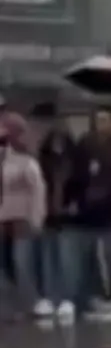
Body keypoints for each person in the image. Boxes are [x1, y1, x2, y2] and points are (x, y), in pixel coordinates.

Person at [68, 106, 111, 319]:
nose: (101, 124)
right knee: (88, 255)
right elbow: (75, 175)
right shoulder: (84, 144)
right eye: (98, 120)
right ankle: (92, 296)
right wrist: (74, 199)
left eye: (105, 120)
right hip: (87, 209)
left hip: (110, 209)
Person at [33, 102, 78, 321]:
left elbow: (78, 181)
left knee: (64, 257)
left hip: (65, 214)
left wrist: (72, 202)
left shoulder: (73, 157)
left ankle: (67, 298)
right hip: (48, 212)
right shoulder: (45, 157)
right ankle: (51, 296)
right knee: (49, 256)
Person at [0, 114, 47, 319]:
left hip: (23, 219)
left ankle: (29, 303)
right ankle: (7, 306)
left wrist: (36, 219)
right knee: (4, 265)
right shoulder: (4, 157)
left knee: (22, 263)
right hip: (2, 219)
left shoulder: (27, 160)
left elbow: (38, 191)